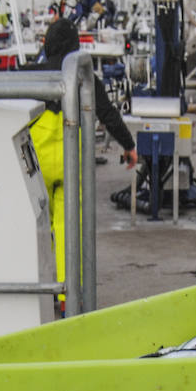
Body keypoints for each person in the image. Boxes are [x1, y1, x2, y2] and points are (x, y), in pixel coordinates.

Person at [25, 17, 137, 261]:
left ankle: (39, 291)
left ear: (47, 44)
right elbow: (109, 114)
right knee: (69, 229)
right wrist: (128, 145)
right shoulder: (85, 77)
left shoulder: (28, 74)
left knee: (34, 227)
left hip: (35, 162)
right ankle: (69, 295)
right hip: (71, 160)